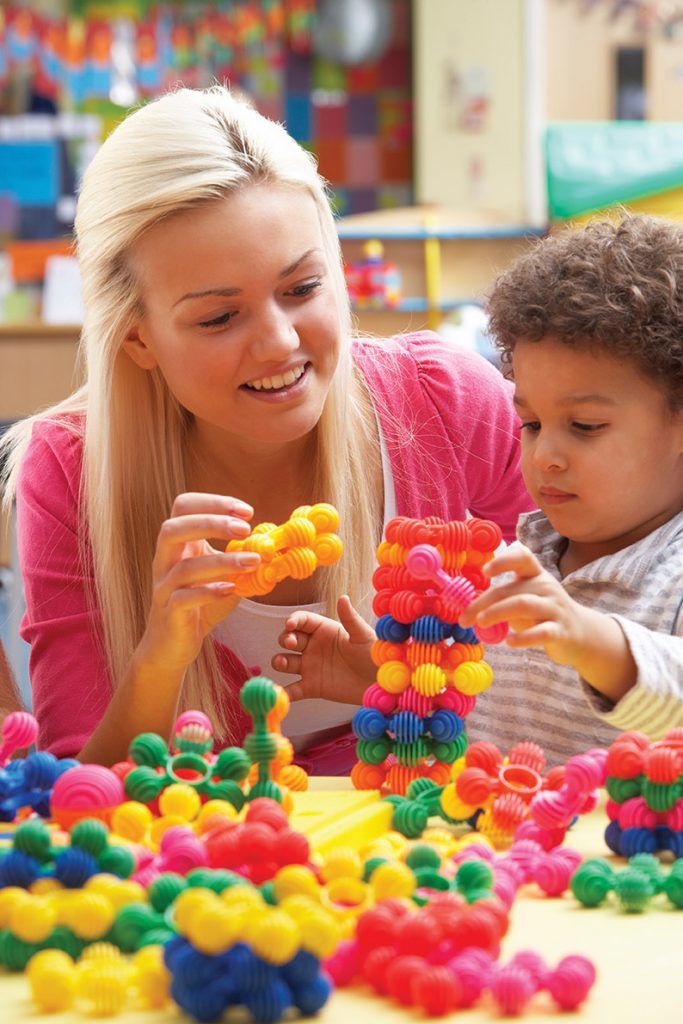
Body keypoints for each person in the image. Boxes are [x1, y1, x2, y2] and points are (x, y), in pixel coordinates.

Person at [0, 86, 532, 770]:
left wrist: (404, 685)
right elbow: (84, 791)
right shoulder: (70, 472)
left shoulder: (446, 402)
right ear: (138, 340)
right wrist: (164, 650)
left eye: (302, 289)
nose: (279, 343)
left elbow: (573, 681)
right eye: (220, 318)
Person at [287, 214, 683, 767]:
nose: (546, 454)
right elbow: (480, 717)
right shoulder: (511, 567)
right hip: (498, 848)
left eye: (586, 426)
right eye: (532, 424)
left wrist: (592, 640)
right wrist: (397, 683)